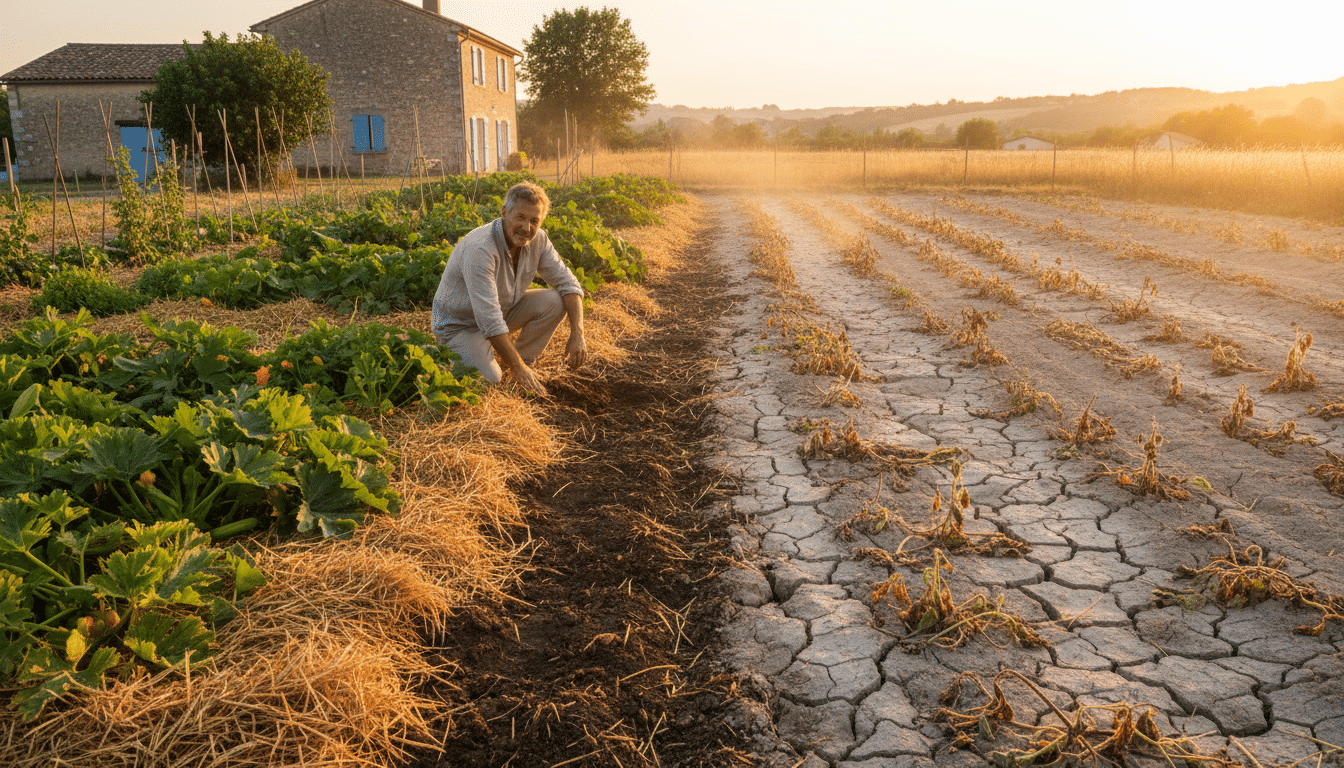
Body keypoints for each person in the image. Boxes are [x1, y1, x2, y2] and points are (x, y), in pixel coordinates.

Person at [431, 181, 586, 396]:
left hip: (502, 312)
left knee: (556, 300)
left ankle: (523, 363)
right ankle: (444, 354)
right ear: (504, 212)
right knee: (490, 381)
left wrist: (577, 333)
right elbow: (489, 319)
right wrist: (516, 367)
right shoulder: (480, 248)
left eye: (534, 221)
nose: (527, 228)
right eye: (520, 217)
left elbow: (569, 283)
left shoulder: (538, 240)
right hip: (461, 325)